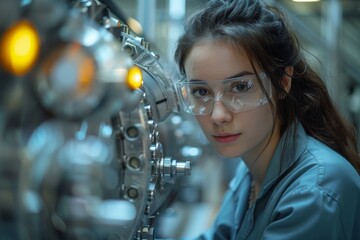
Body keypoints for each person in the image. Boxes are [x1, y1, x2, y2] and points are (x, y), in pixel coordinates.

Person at [174, 0, 360, 239]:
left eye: (240, 87)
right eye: (201, 92)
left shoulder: (315, 191)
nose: (218, 115)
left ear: (283, 82)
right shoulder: (252, 168)